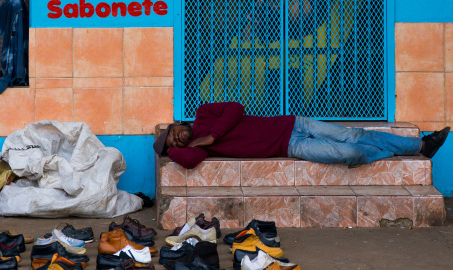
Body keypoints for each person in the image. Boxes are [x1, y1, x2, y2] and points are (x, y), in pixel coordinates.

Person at [153, 101, 450, 171]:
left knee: (352, 134)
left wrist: (212, 135)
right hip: (292, 146)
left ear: (177, 123)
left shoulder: (204, 114)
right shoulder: (196, 150)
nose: (176, 139)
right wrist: (170, 150)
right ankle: (399, 150)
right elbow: (187, 162)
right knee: (349, 153)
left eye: (173, 133)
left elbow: (235, 108)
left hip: (294, 123)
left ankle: (421, 145)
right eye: (171, 143)